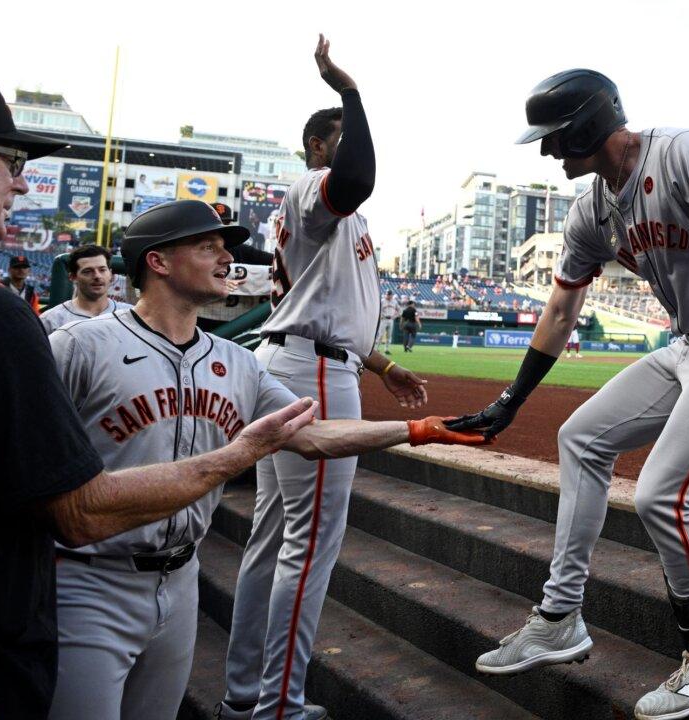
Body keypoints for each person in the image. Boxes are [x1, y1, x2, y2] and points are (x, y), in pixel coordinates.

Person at [0, 66, 324, 720]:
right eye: (9, 159)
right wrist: (235, 456)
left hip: (169, 583)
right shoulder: (9, 324)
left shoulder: (228, 357)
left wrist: (418, 429)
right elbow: (78, 511)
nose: (21, 179)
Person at [448, 69, 689, 719]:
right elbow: (559, 310)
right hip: (686, 344)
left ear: (589, 124)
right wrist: (514, 397)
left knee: (664, 496)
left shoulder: (680, 150)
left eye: (555, 138)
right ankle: (558, 618)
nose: (549, 153)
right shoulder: (591, 209)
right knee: (580, 438)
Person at [44, 200, 484, 720]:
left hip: (181, 581)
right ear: (158, 263)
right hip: (90, 582)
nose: (225, 257)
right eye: (206, 246)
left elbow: (313, 434)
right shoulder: (77, 347)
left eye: (224, 247)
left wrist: (416, 430)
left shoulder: (236, 361)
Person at [218, 36, 430, 720]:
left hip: (307, 355)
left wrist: (385, 365)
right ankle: (279, 705)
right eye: (339, 137)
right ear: (315, 148)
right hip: (310, 367)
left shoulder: (336, 217)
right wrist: (352, 93)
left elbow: (326, 309)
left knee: (275, 536)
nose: (352, 145)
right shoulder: (316, 189)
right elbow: (358, 176)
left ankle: (245, 692)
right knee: (306, 547)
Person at [39, 244, 132, 334]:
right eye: (87, 271)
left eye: (102, 270)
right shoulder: (51, 319)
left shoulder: (130, 314)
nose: (97, 276)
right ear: (73, 277)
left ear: (110, 273)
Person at [377, 288, 398, 354]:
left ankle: (386, 349)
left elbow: (399, 310)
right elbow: (377, 310)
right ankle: (376, 349)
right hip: (383, 319)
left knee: (389, 335)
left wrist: (394, 316)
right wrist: (381, 316)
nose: (388, 295)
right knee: (380, 335)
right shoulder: (382, 301)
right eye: (387, 294)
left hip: (390, 320)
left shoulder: (394, 302)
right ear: (386, 294)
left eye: (390, 294)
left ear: (392, 295)